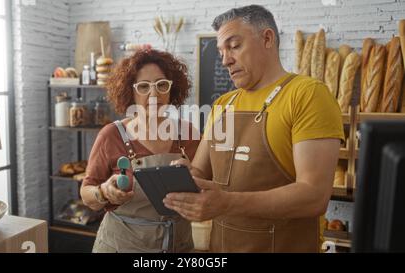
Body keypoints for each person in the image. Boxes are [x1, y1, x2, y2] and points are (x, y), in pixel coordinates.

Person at [163, 5, 345, 252]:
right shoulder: (223, 105)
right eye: (221, 51)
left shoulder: (308, 95)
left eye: (234, 46)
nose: (226, 59)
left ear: (267, 38)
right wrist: (186, 175)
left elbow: (314, 196)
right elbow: (200, 171)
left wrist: (227, 203)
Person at [81, 49, 200, 253]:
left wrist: (195, 176)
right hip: (120, 246)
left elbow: (209, 186)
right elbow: (86, 194)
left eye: (162, 85)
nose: (154, 94)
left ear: (173, 89)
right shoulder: (111, 135)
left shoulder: (189, 133)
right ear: (130, 92)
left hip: (178, 246)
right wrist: (103, 192)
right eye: (143, 87)